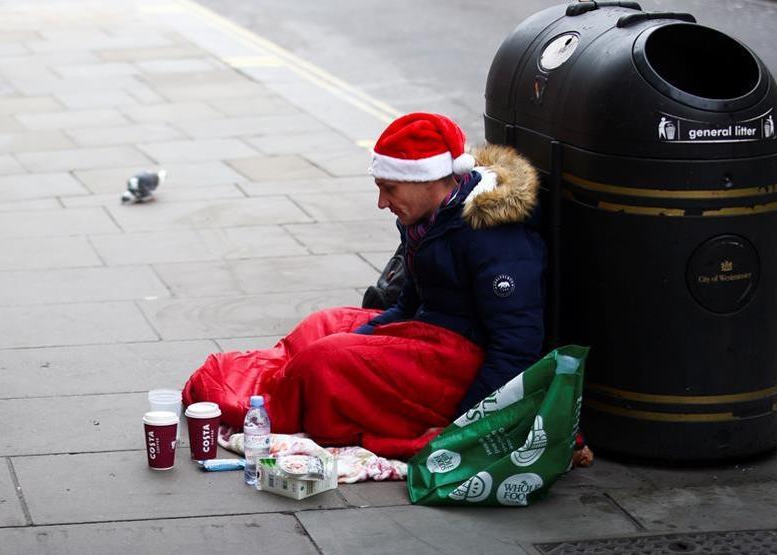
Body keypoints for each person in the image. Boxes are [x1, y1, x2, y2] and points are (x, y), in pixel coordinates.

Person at [182, 112, 547, 458]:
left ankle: (263, 399)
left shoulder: (497, 238)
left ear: (428, 180)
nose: (381, 203)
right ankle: (277, 382)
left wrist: (463, 425)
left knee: (325, 360)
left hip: (465, 366)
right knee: (323, 326)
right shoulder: (424, 218)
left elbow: (517, 344)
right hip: (427, 333)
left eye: (389, 189)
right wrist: (362, 337)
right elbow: (407, 303)